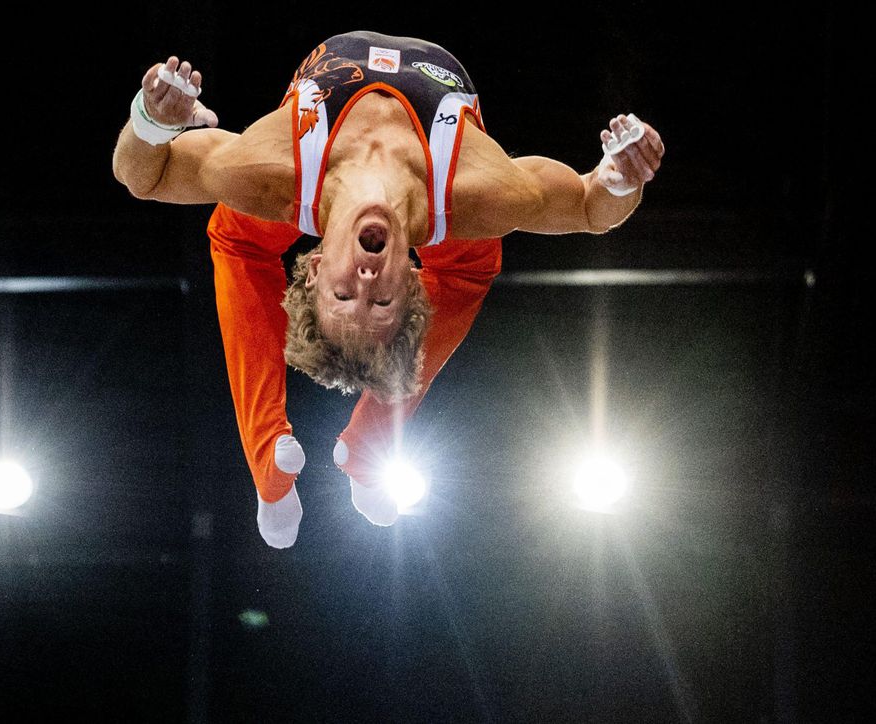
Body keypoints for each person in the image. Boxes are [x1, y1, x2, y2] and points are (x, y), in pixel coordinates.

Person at [112, 30, 664, 548]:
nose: (366, 279)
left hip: (305, 180)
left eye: (343, 295)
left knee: (234, 236)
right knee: (475, 260)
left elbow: (143, 176)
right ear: (412, 283)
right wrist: (623, 177)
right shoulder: (481, 191)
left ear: (315, 265)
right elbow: (593, 206)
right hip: (443, 205)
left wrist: (153, 121)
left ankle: (269, 465)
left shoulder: (269, 170)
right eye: (382, 301)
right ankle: (367, 444)